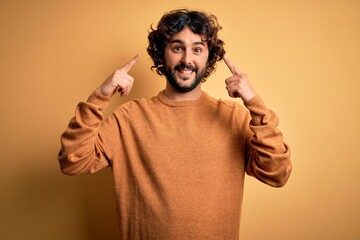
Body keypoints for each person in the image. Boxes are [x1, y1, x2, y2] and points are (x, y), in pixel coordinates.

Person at [58, 9, 292, 239]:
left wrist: (254, 101)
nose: (187, 60)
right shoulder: (129, 118)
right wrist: (101, 94)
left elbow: (277, 173)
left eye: (197, 49)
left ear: (209, 57)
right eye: (177, 48)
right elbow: (73, 161)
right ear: (162, 54)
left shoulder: (233, 117)